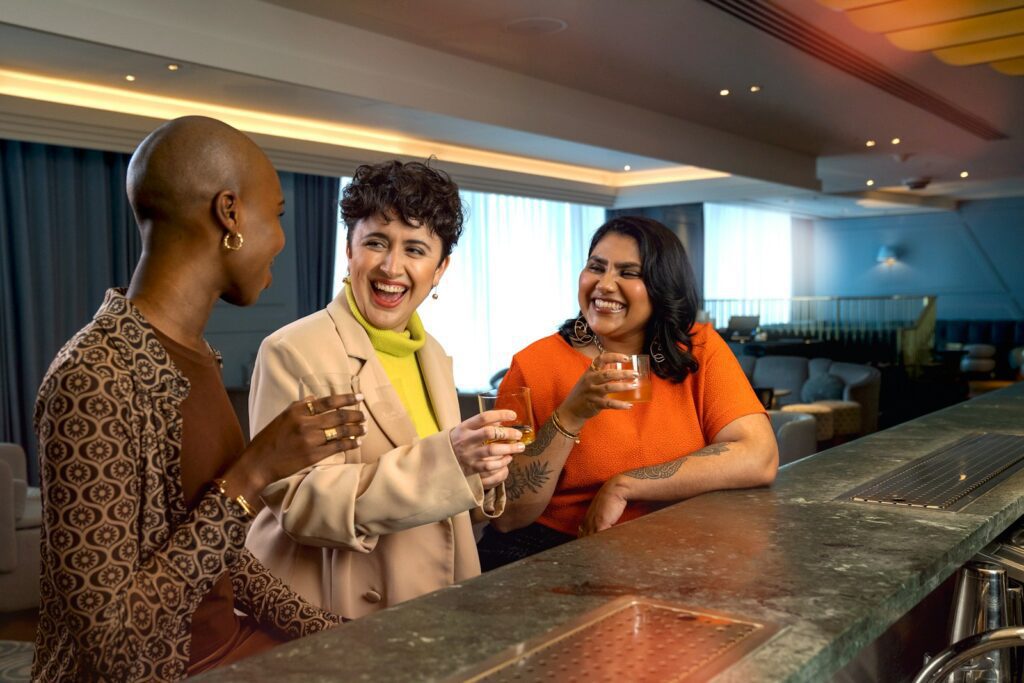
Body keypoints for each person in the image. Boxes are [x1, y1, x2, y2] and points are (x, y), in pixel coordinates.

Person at [32, 116, 363, 681]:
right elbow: (109, 643)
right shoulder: (94, 378)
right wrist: (251, 474)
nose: (282, 239)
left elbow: (222, 560)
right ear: (229, 213)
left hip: (232, 647)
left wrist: (344, 633)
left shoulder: (194, 355)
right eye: (278, 215)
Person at [245, 160, 516, 618]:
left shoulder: (433, 354)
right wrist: (448, 461)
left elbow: (445, 498)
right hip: (341, 611)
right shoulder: (292, 351)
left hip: (437, 603)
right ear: (349, 252)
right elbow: (297, 504)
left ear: (440, 269)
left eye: (415, 249)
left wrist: (478, 474)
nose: (392, 267)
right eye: (375, 242)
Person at [478, 215, 778, 569]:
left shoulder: (697, 349)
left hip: (676, 550)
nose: (605, 284)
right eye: (596, 267)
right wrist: (570, 416)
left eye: (628, 272)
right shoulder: (534, 364)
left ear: (662, 285)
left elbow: (760, 456)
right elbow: (509, 515)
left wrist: (627, 484)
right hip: (555, 555)